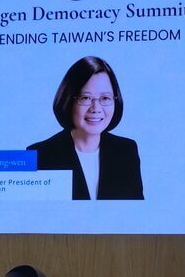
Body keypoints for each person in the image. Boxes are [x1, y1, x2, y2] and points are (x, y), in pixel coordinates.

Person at [28, 56, 143, 200]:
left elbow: (136, 209)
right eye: (85, 98)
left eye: (105, 98)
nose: (96, 108)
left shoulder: (126, 151)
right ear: (68, 100)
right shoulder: (39, 155)